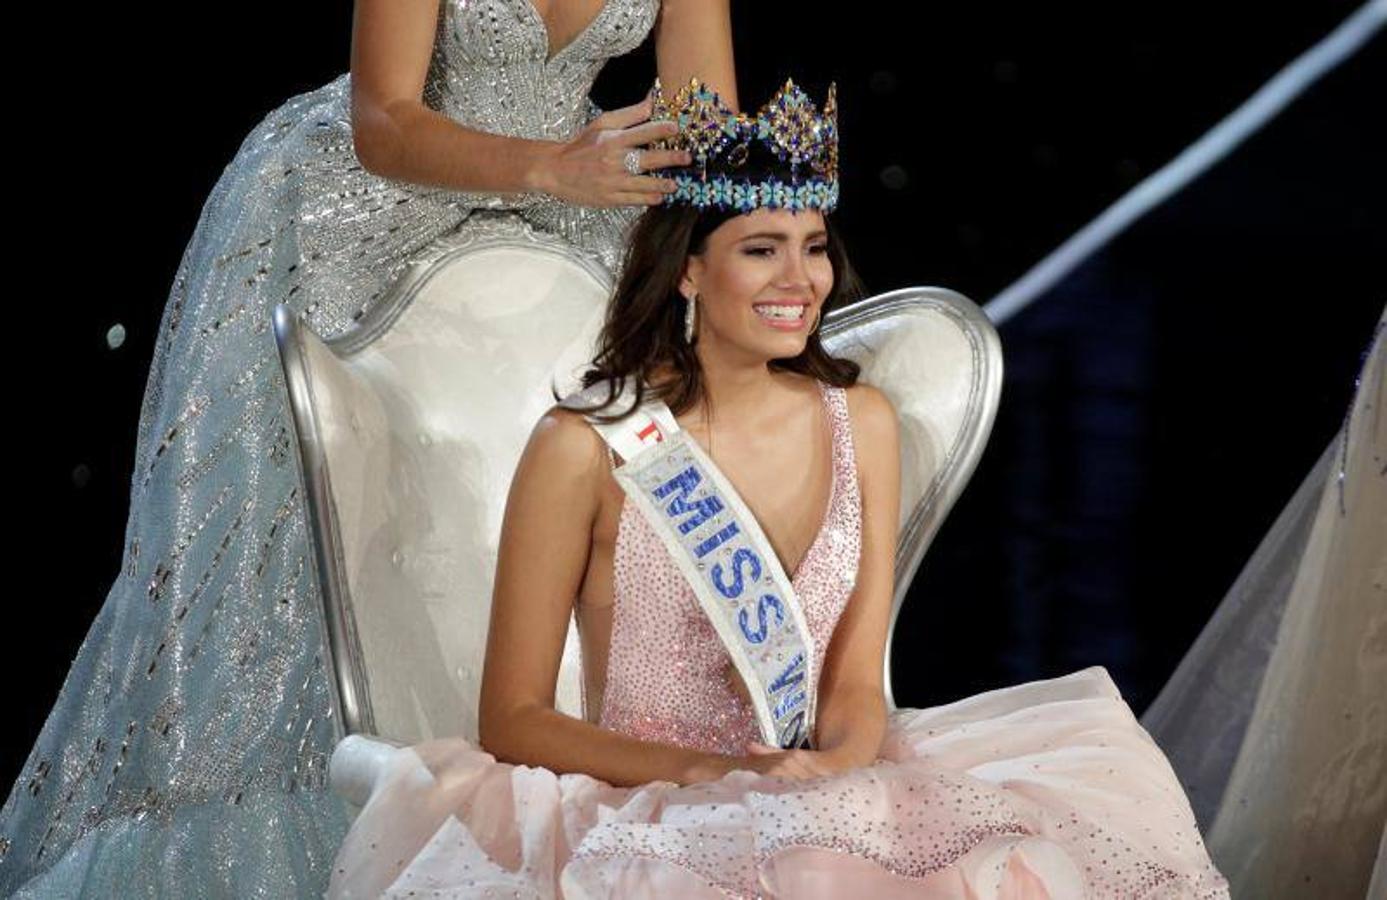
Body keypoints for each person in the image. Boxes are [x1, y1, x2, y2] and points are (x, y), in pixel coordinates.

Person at [327, 77, 1231, 898]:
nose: (798, 282)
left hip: (824, 785)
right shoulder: (585, 447)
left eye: (812, 248)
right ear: (688, 270)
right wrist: (706, 776)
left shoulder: (862, 423)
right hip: (649, 807)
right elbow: (514, 718)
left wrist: (834, 774)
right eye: (760, 250)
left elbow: (853, 680)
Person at [0, 1, 735, 895]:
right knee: (306, 555)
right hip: (366, 206)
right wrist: (550, 168)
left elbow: (706, 122)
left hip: (578, 207)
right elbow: (385, 120)